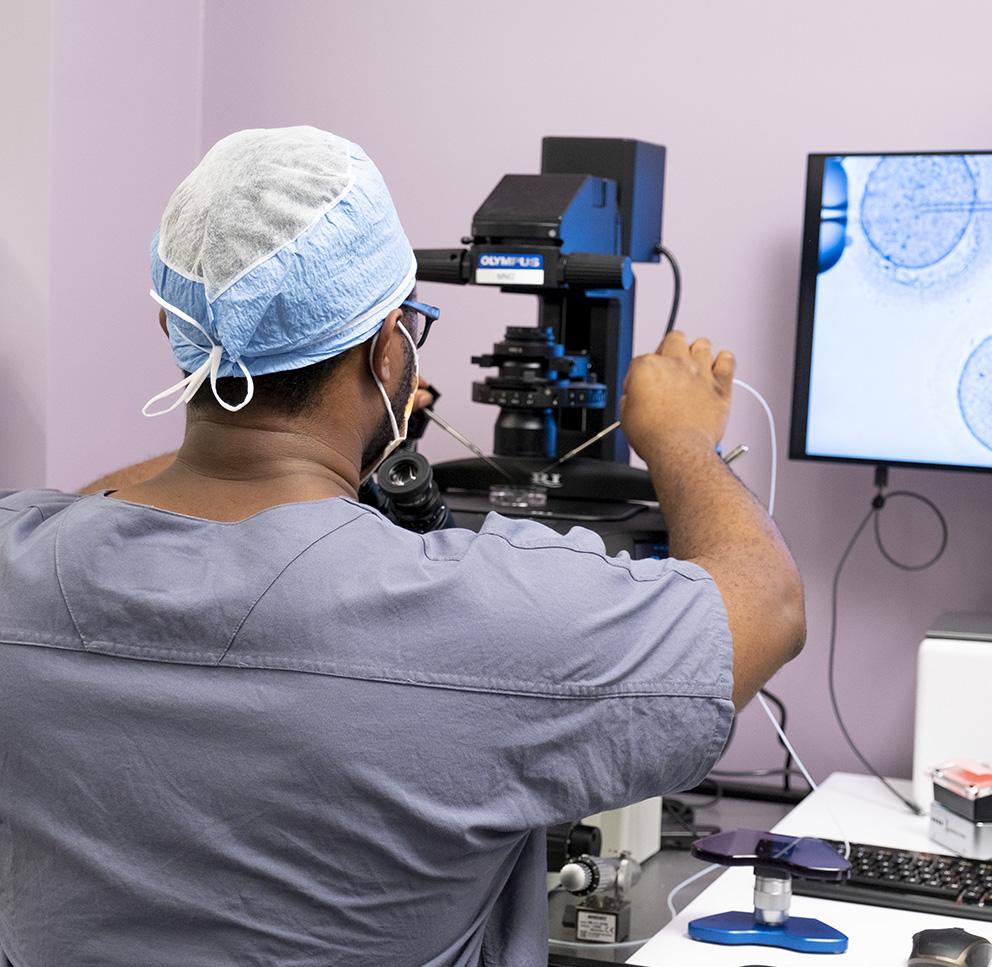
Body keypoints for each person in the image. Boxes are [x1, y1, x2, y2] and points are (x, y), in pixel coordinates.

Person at [0, 126, 806, 967]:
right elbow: (770, 602)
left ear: (170, 323)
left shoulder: (16, 561)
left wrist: (312, 447)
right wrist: (680, 437)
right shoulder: (484, 620)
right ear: (392, 350)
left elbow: (97, 510)